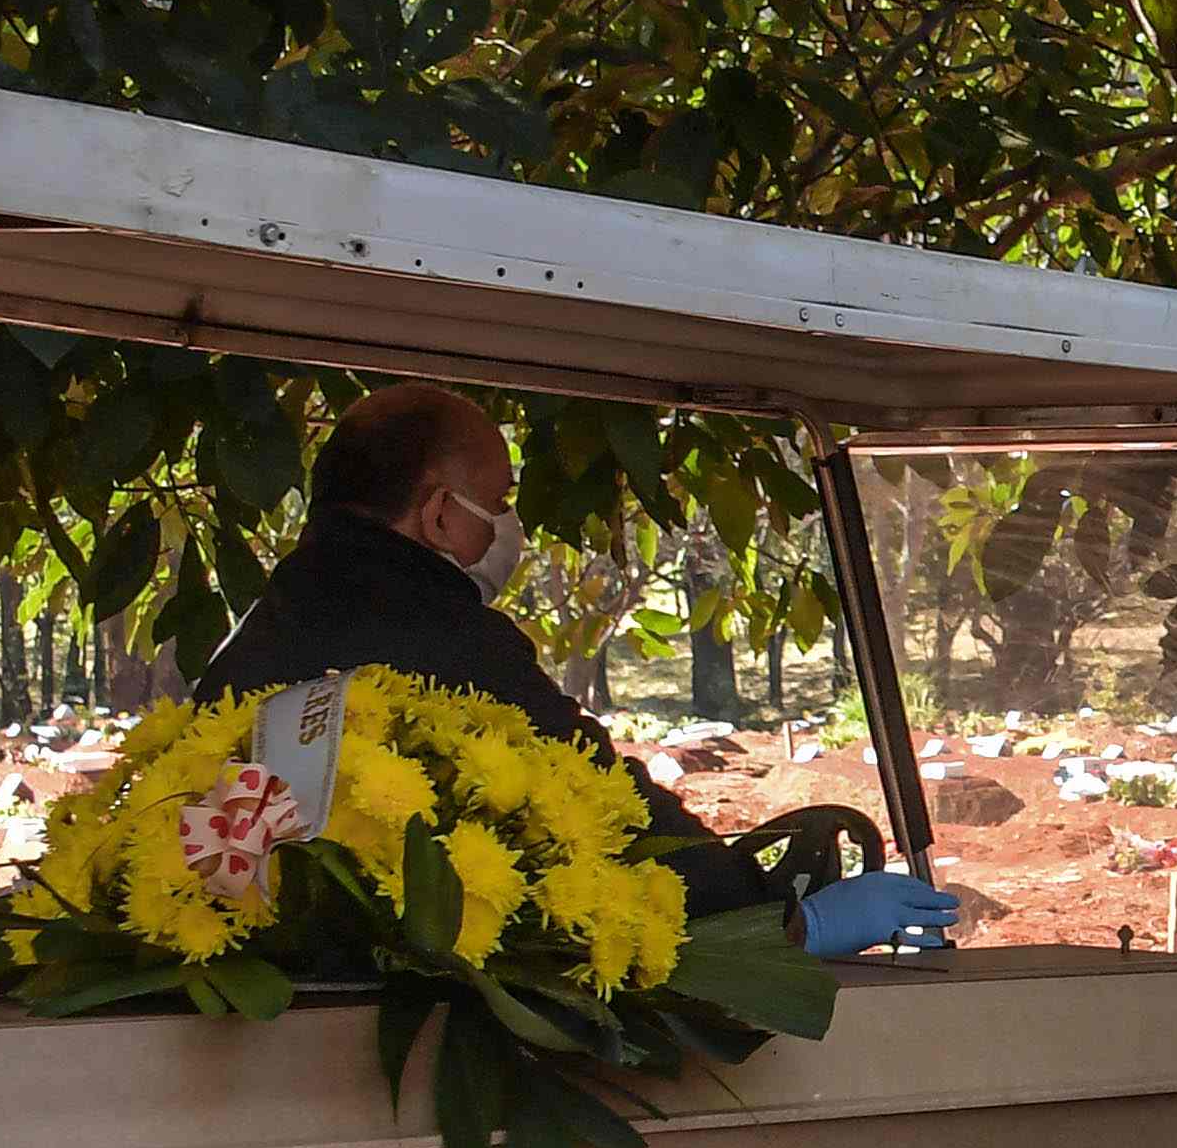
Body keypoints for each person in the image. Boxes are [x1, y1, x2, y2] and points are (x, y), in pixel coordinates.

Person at [204, 385, 952, 950]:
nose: (508, 528)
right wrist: (781, 922)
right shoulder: (445, 638)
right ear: (439, 516)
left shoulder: (263, 625)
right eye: (497, 503)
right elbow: (595, 795)